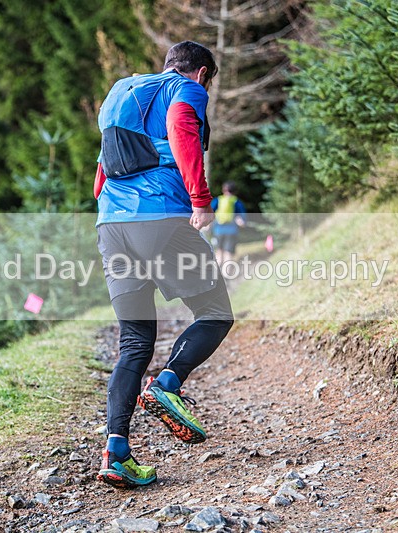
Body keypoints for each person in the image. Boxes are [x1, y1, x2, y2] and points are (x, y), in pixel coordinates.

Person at [93, 41, 234, 488]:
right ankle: (167, 384)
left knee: (134, 341)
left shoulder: (123, 90)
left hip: (111, 224)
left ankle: (116, 453)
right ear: (202, 73)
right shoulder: (186, 88)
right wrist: (200, 199)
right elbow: (181, 127)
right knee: (216, 313)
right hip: (161, 215)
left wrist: (112, 208)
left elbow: (104, 162)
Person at [211, 181, 246, 264]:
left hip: (218, 230)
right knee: (228, 253)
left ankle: (217, 271)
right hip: (232, 231)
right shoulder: (236, 201)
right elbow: (242, 218)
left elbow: (210, 213)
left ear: (223, 190)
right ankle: (226, 272)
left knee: (219, 251)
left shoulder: (218, 200)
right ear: (234, 191)